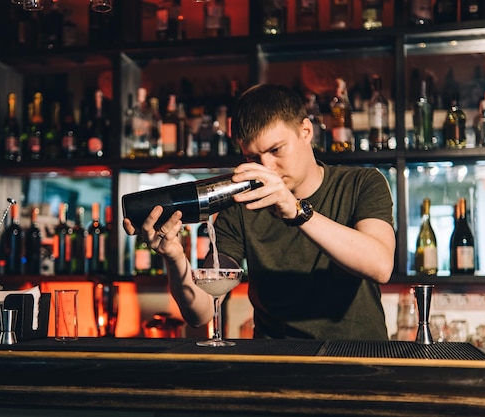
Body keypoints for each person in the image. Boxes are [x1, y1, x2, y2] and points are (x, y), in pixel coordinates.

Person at [122, 83, 396, 340]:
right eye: (253, 158)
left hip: (358, 358)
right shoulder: (242, 204)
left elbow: (380, 266)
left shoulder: (362, 183)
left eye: (276, 150)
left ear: (306, 131)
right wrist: (175, 258)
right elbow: (203, 311)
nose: (267, 168)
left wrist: (297, 211)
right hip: (275, 362)